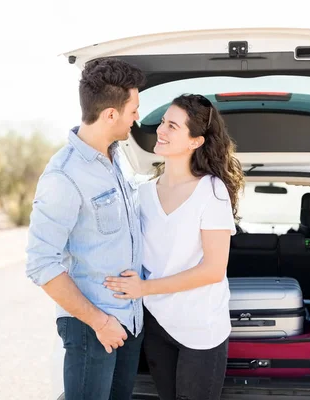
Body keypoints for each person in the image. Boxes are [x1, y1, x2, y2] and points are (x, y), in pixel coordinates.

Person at [103, 94, 245, 400]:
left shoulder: (212, 190)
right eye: (162, 122)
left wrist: (144, 289)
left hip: (201, 329)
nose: (160, 130)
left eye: (172, 125)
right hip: (156, 325)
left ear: (195, 141)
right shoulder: (141, 192)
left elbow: (213, 270)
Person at [25, 57, 146, 400]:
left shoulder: (116, 157)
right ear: (111, 115)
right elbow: (41, 264)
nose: (138, 116)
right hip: (92, 329)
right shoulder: (64, 175)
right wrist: (98, 321)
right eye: (133, 109)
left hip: (127, 323)